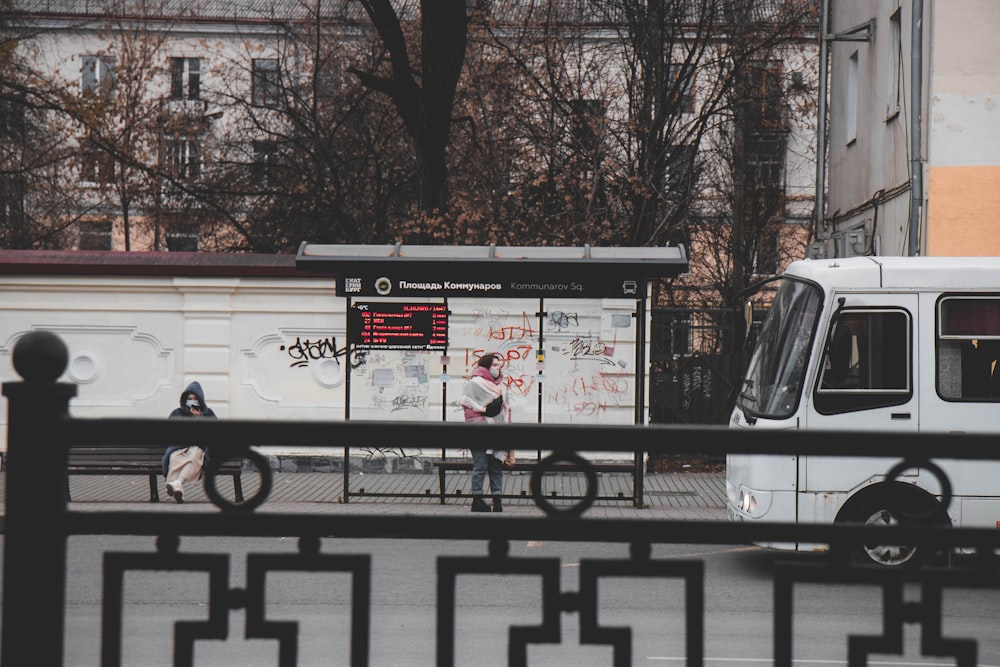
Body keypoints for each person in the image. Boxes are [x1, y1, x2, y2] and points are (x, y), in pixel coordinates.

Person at [460, 353, 512, 513]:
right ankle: (477, 500)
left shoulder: (500, 385)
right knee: (480, 466)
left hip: (497, 431)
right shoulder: (475, 383)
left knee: (496, 467)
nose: (498, 368)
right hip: (479, 431)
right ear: (486, 367)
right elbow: (467, 404)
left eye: (498, 365)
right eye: (495, 365)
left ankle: (497, 501)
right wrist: (482, 416)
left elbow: (505, 408)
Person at [161, 381, 216, 503]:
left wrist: (199, 419)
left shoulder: (208, 414)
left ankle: (177, 483)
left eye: (195, 398)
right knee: (174, 457)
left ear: (200, 399)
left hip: (199, 448)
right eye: (190, 398)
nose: (192, 401)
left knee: (194, 456)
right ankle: (177, 486)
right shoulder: (178, 413)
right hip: (180, 447)